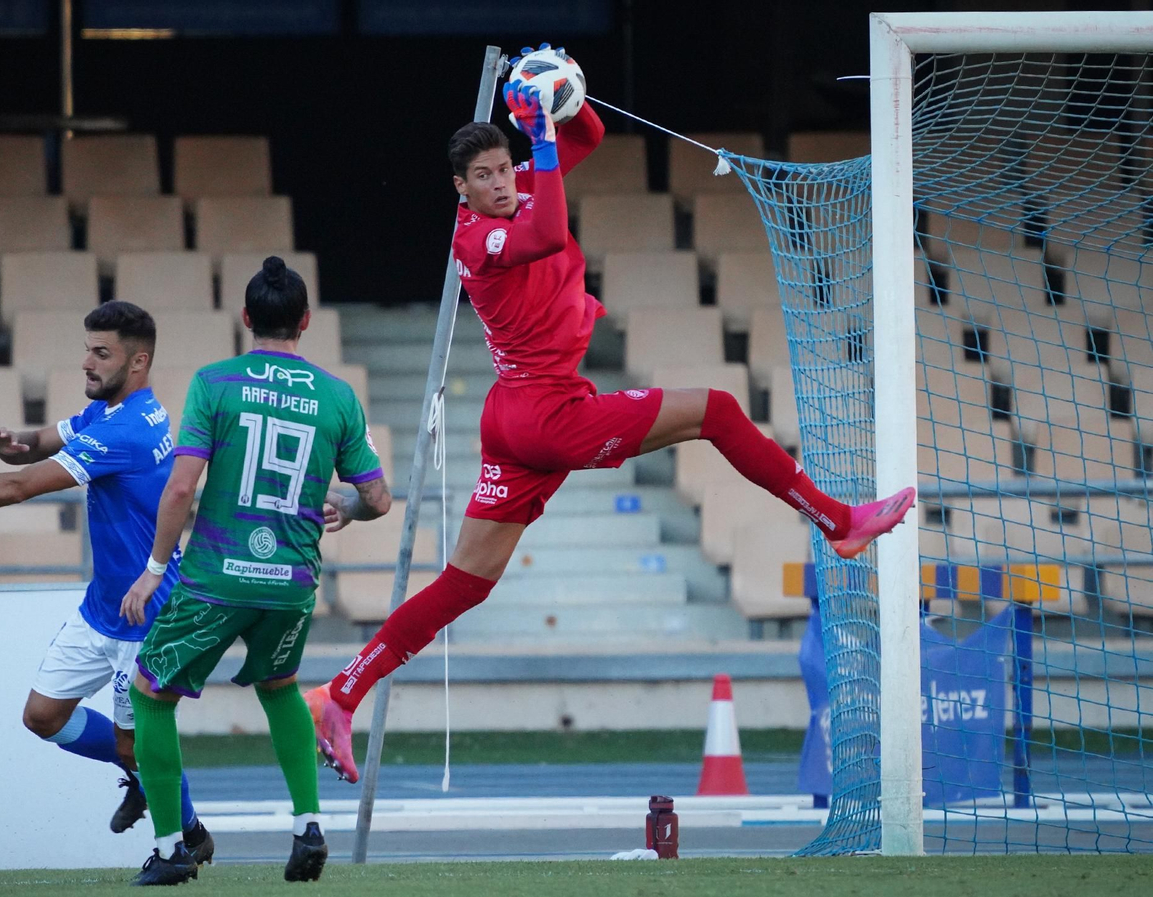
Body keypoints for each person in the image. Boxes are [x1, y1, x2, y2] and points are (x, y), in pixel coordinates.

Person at [302, 48, 917, 783]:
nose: (499, 183)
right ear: (461, 188)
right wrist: (539, 140)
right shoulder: (477, 234)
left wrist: (558, 91)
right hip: (548, 414)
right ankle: (837, 522)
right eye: (483, 177)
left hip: (517, 416)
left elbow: (587, 135)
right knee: (718, 410)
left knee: (465, 583)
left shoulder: (526, 182)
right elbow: (544, 235)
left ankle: (340, 693)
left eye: (503, 169)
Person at [0, 301, 213, 862]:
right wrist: (19, 441)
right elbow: (47, 441)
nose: (86, 362)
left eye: (101, 353)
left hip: (143, 615)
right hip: (103, 606)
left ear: (137, 362)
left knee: (135, 744)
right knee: (43, 717)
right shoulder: (119, 410)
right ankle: (146, 780)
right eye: (87, 349)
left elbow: (18, 489)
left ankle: (189, 837)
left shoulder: (125, 430)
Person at [118, 257, 392, 886]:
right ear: (306, 321)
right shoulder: (337, 395)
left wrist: (155, 569)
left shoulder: (215, 383)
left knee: (150, 693)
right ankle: (308, 828)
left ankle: (171, 850)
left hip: (216, 578)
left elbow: (181, 488)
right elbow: (377, 499)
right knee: (280, 687)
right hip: (292, 582)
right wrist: (347, 506)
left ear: (245, 317)